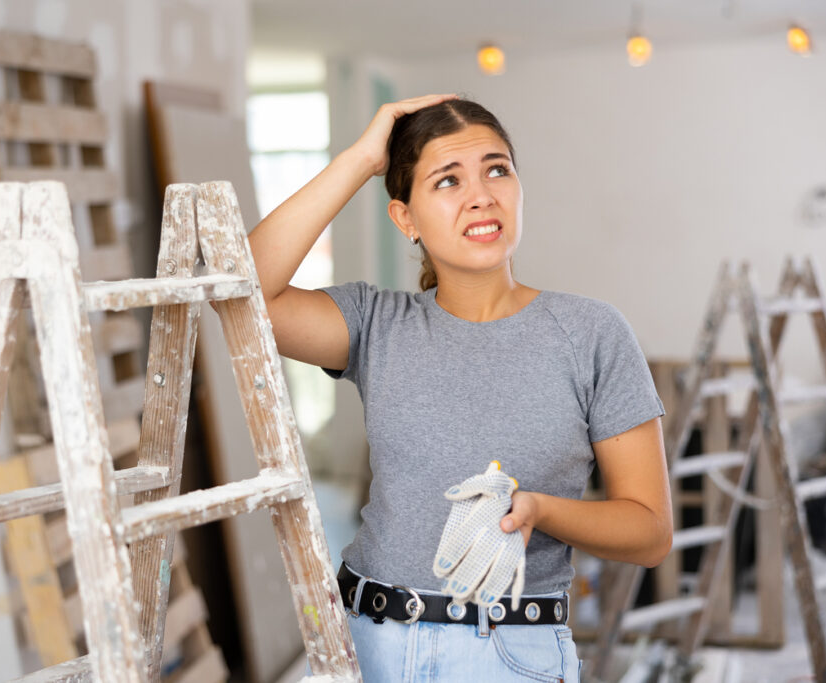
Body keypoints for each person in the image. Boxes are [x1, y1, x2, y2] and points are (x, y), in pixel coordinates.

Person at [248, 94, 673, 682]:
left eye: (497, 169)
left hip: (508, 656)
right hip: (366, 647)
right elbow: (246, 295)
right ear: (406, 219)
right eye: (448, 180)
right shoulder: (377, 324)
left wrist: (540, 510)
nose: (481, 194)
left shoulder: (591, 334)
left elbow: (650, 532)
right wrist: (361, 159)